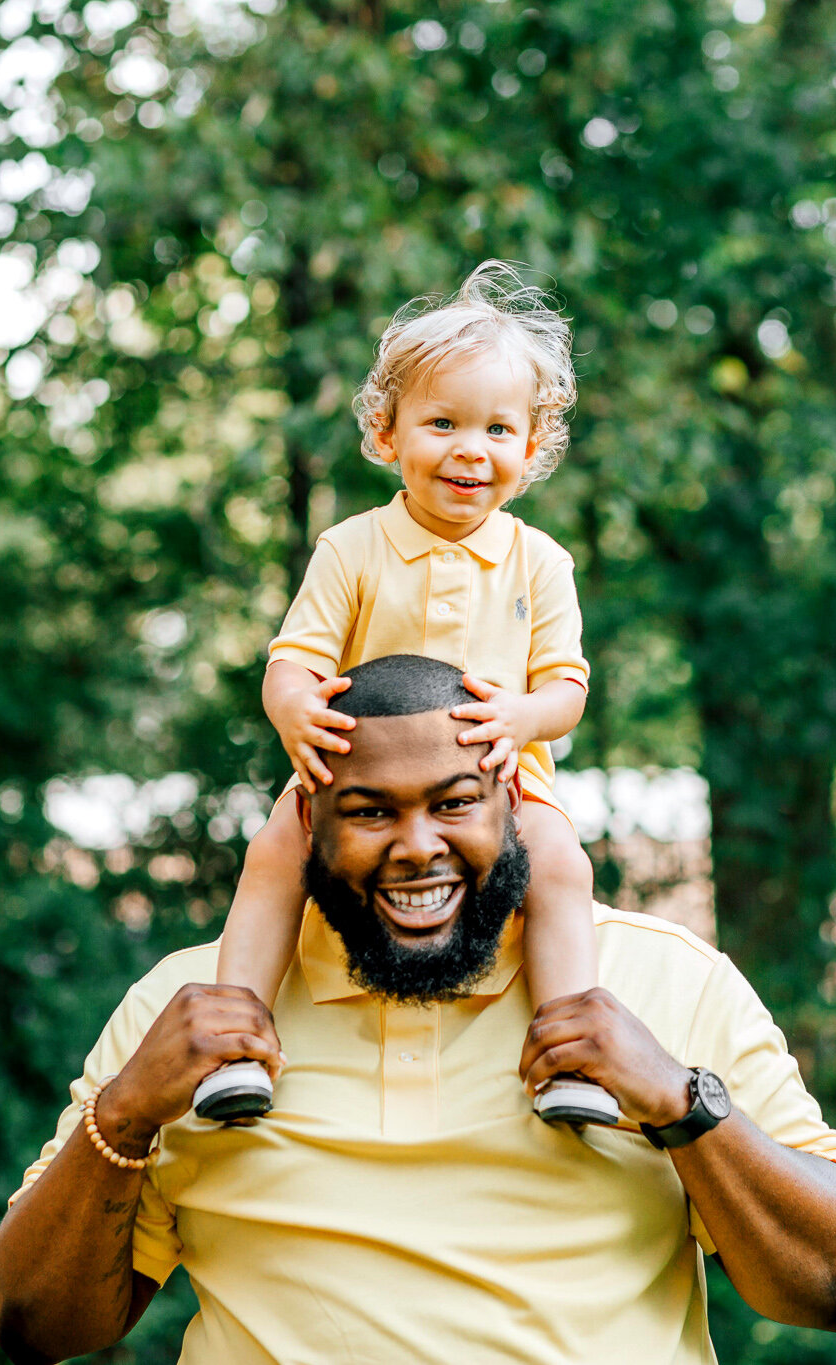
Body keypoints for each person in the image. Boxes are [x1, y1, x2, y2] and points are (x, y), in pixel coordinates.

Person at [0, 655, 836, 1365]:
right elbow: (37, 1324)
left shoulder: (666, 979)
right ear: (309, 822)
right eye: (371, 811)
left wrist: (682, 1101)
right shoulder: (194, 1009)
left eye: (455, 803)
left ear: (518, 806)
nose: (419, 848)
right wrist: (126, 1111)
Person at [195, 261, 614, 1126]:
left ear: (530, 451)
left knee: (564, 866)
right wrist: (294, 710)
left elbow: (566, 691)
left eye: (499, 428)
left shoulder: (540, 561)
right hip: (355, 773)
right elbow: (293, 659)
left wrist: (520, 717)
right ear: (387, 434)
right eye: (443, 422)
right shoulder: (352, 548)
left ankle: (571, 1053)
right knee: (273, 856)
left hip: (498, 773)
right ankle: (233, 1041)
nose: (472, 447)